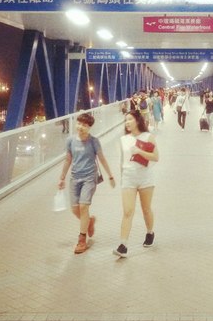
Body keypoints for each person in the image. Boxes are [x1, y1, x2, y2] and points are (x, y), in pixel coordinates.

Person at [58, 112, 115, 254]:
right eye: (79, 123)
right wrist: (62, 178)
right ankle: (89, 221)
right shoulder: (70, 140)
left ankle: (82, 240)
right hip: (74, 178)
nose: (80, 127)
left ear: (89, 127)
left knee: (83, 206)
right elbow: (68, 159)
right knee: (75, 209)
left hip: (90, 178)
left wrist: (110, 176)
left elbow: (102, 158)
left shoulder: (93, 141)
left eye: (84, 125)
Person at [113, 110, 159, 258]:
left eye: (130, 119)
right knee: (127, 211)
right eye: (125, 120)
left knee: (146, 209)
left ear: (138, 121)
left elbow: (156, 157)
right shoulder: (123, 139)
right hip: (128, 178)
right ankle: (123, 245)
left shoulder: (148, 137)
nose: (127, 122)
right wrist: (122, 178)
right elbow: (122, 161)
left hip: (145, 177)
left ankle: (150, 232)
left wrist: (139, 151)